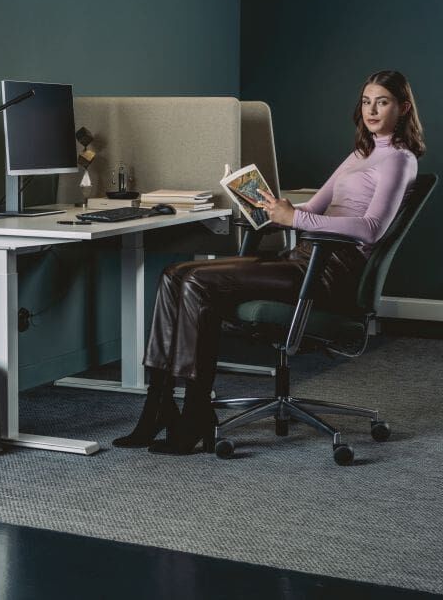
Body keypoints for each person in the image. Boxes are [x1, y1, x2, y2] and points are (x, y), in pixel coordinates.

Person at [113, 70, 426, 455]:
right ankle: (158, 407)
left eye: (383, 102)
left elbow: (371, 228)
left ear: (404, 108)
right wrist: (267, 207)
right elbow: (311, 207)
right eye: (366, 101)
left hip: (331, 273)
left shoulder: (399, 160)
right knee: (175, 275)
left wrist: (293, 219)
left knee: (195, 283)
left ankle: (194, 413)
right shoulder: (361, 154)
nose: (372, 110)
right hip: (303, 259)